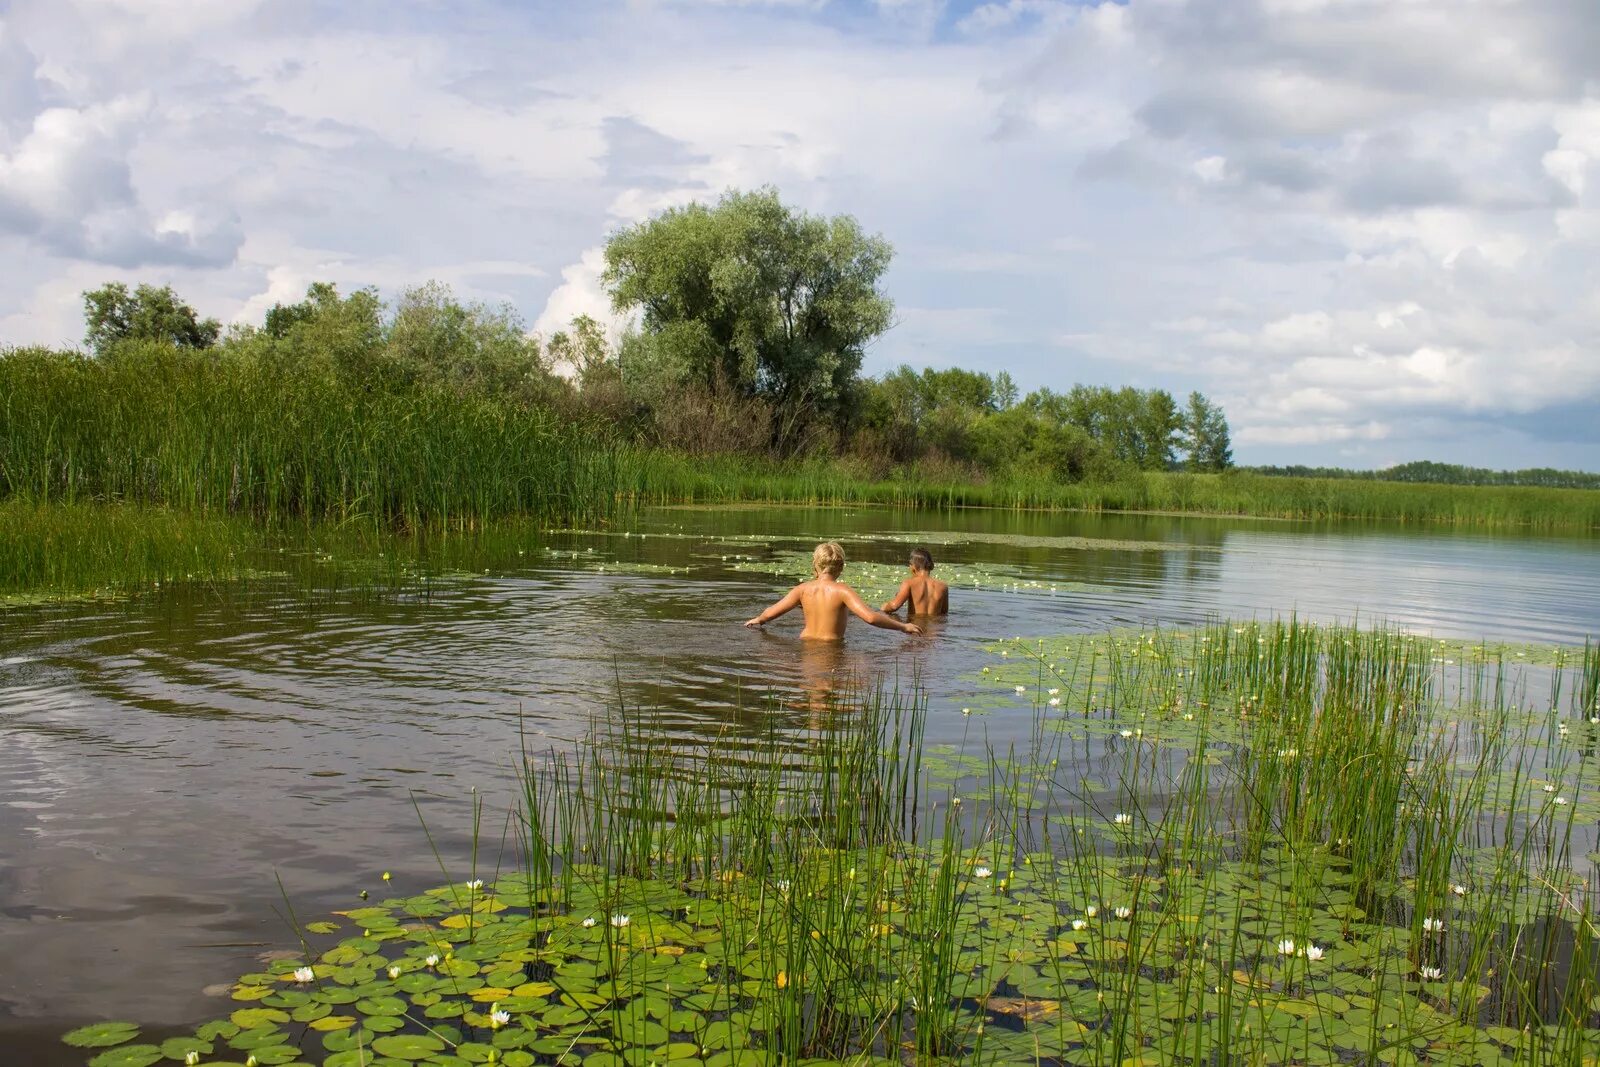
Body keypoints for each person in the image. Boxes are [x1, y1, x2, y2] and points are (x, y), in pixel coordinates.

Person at [745, 541, 923, 640]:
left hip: (805, 644)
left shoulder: (802, 589)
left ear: (815, 565)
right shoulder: (842, 591)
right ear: (841, 568)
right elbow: (870, 617)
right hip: (830, 650)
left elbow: (771, 613)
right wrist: (902, 626)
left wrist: (758, 619)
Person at [882, 546, 949, 617]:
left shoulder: (909, 583)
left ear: (913, 567)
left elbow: (894, 606)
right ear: (931, 565)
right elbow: (944, 613)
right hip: (935, 627)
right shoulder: (943, 586)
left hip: (915, 626)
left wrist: (883, 607)